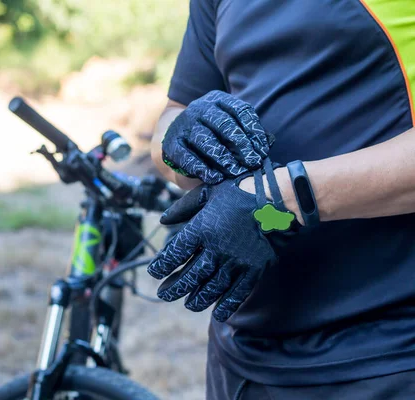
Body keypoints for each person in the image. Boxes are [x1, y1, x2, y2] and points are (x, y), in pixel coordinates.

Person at [148, 0, 415, 399]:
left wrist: (278, 201)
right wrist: (179, 140)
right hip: (239, 357)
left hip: (387, 355)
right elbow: (173, 115)